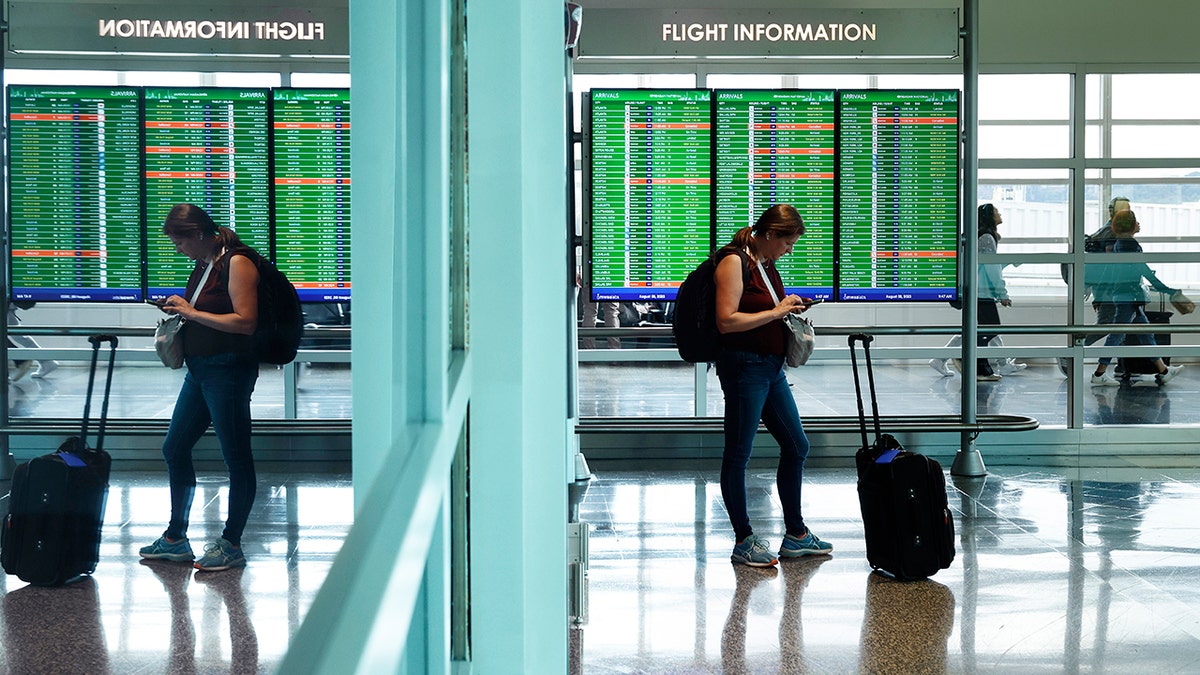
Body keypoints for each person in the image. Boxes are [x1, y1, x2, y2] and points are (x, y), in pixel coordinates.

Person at [138, 203, 262, 572]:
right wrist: (182, 308)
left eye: (179, 241)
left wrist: (190, 313)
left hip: (229, 370)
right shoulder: (206, 263)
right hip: (201, 370)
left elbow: (246, 322)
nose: (177, 249)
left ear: (197, 233)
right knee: (174, 448)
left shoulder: (237, 262)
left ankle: (231, 543)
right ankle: (176, 538)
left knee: (236, 457)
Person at [713, 203, 830, 568]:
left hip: (770, 367)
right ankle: (743, 540)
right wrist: (777, 312)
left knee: (797, 445)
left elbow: (762, 311)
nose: (789, 250)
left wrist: (787, 307)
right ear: (770, 234)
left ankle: (795, 535)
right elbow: (727, 321)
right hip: (744, 368)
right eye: (788, 242)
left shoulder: (764, 264)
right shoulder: (734, 262)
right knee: (738, 453)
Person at [1089, 209, 1184, 387]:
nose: (1139, 223)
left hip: (1123, 295)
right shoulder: (1132, 245)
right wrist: (1166, 289)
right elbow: (1144, 269)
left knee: (1146, 333)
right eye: (1136, 221)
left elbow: (1108, 271)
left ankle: (1163, 370)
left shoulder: (1118, 244)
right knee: (1116, 335)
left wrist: (1099, 296)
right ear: (1132, 225)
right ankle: (1099, 373)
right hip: (1129, 297)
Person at [930, 203, 1022, 381]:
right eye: (996, 211)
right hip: (981, 292)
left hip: (976, 290)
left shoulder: (980, 236)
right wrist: (1002, 294)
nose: (1000, 213)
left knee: (979, 330)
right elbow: (991, 268)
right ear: (989, 216)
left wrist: (1009, 261)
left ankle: (947, 360)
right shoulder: (987, 237)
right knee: (988, 330)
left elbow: (984, 265)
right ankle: (977, 366)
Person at [1059, 196, 1129, 376]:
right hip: (1110, 288)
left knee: (1127, 323)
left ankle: (1123, 364)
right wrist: (1101, 295)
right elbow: (1110, 264)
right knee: (1107, 324)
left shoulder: (1107, 229)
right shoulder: (1112, 232)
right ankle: (1071, 353)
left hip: (1108, 287)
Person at [7, 302, 58, 381]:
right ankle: (46, 361)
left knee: (17, 335)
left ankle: (21, 360)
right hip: (7, 303)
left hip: (5, 303)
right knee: (18, 335)